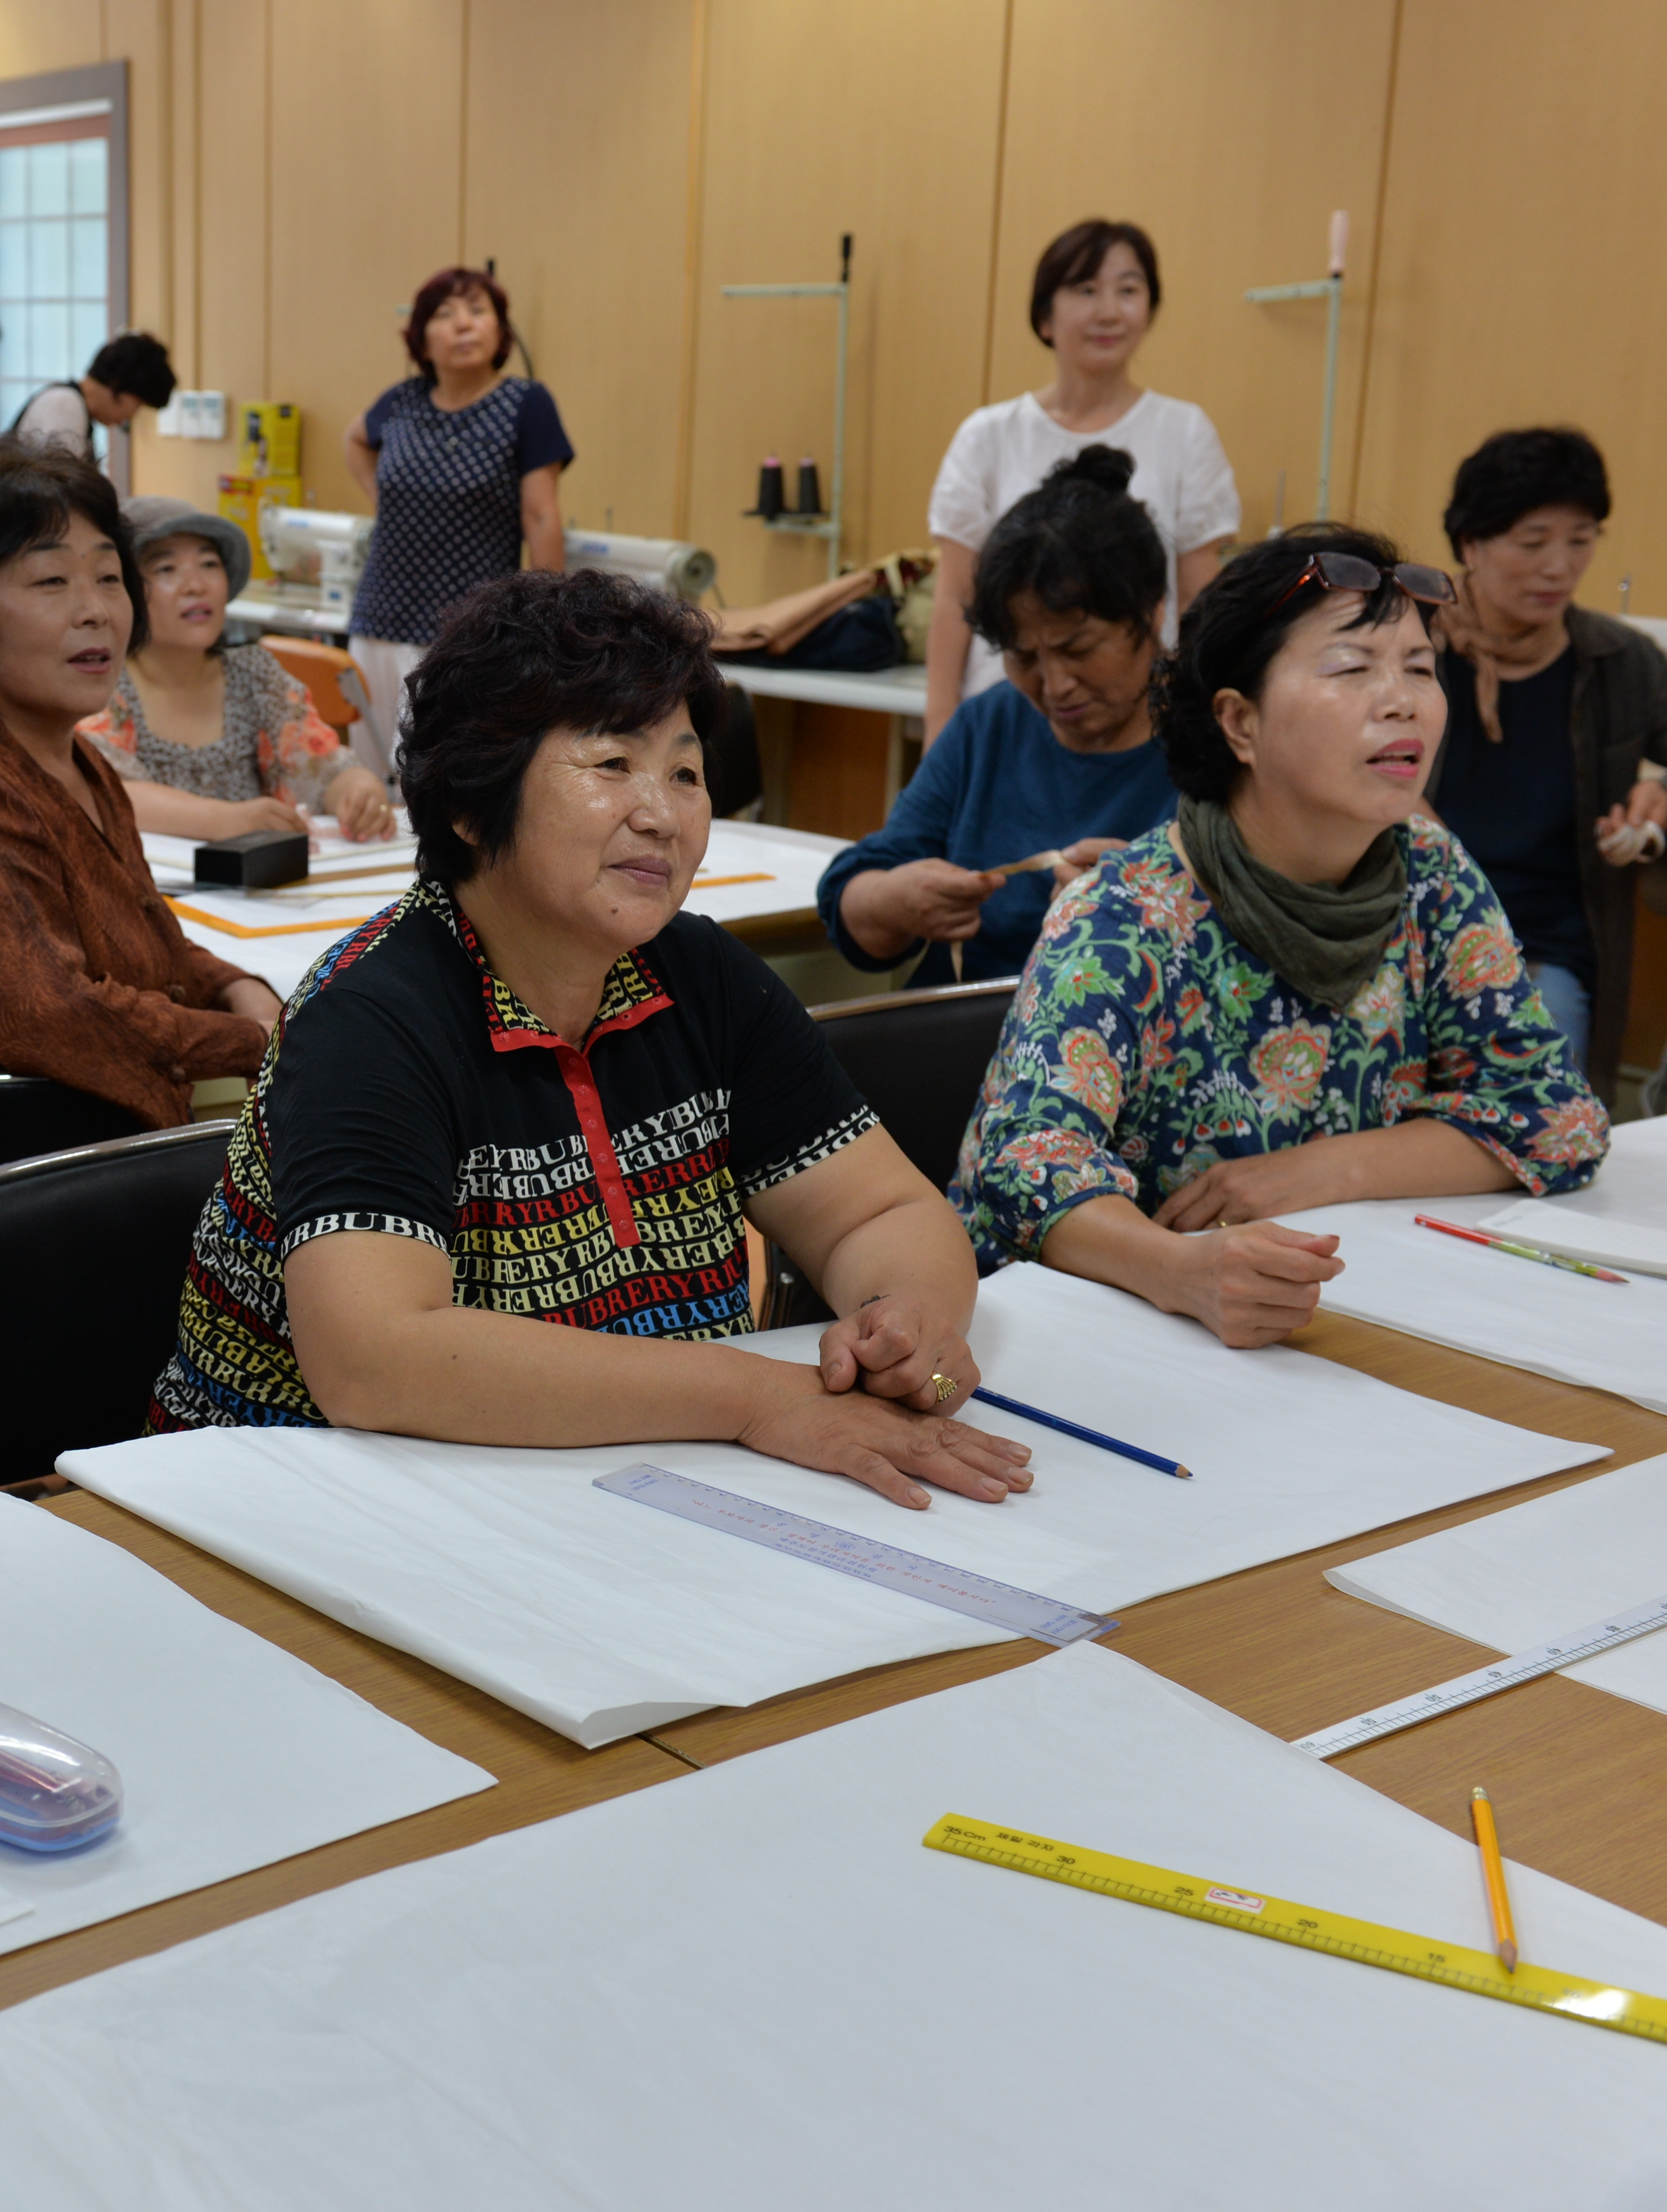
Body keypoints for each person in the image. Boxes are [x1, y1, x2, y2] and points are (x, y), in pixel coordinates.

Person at [147, 570, 1032, 1515]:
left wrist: (910, 1324)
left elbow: (879, 1212)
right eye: (611, 764)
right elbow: (375, 1359)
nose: (663, 813)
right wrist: (751, 1397)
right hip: (299, 1511)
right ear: (472, 801)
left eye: (685, 773)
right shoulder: (373, 1012)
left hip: (608, 1490)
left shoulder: (700, 977)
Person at [954, 526, 1610, 1350]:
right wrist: (1177, 1269)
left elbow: (1554, 1116)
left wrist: (1320, 1170)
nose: (1402, 701)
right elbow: (1025, 1166)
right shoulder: (1129, 917)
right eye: (1351, 669)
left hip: (1332, 1320)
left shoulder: (1430, 877)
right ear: (1240, 721)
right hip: (1080, 1338)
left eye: (1418, 668)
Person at [0, 441, 283, 1129]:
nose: (96, 610)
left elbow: (143, 944)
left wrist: (234, 985)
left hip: (82, 1153)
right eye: (50, 581)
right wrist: (252, 1042)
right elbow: (54, 1012)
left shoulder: (76, 760)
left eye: (109, 577)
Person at [1423, 427, 1667, 1094]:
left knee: (1539, 1106)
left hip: (1538, 952)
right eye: (1532, 543)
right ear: (1469, 545)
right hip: (1401, 940)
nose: (1558, 567)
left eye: (1580, 541)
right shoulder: (1410, 643)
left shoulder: (1615, 661)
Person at [820, 448, 1181, 985]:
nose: (1054, 685)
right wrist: (893, 901)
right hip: (965, 1031)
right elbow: (855, 904)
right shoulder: (988, 727)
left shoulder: (1215, 745)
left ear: (1152, 612)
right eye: (1023, 657)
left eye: (1079, 649)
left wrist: (1155, 910)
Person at [923, 219, 1238, 746]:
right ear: (1045, 317)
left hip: (1136, 724)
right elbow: (956, 594)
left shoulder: (1185, 432)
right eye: (1087, 290)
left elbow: (1196, 602)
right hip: (1008, 712)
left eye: (1128, 290)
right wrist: (940, 726)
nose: (1109, 311)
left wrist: (1190, 726)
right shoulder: (988, 435)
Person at [341, 266, 571, 780]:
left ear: (500, 331)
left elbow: (541, 516)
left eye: (477, 311)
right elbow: (354, 440)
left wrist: (549, 624)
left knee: (439, 784)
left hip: (467, 634)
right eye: (445, 315)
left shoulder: (526, 404)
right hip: (378, 619)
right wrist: (384, 500)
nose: (464, 325)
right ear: (422, 338)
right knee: (369, 782)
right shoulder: (401, 401)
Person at [79, 494, 393, 845]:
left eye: (209, 564)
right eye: (166, 569)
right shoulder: (103, 688)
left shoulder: (255, 676)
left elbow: (322, 768)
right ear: (123, 592)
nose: (197, 585)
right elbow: (102, 791)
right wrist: (225, 820)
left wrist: (358, 791)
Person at [10, 332, 177, 458]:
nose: (130, 417)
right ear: (117, 385)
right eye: (138, 405)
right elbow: (56, 486)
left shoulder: (74, 404)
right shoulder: (65, 405)